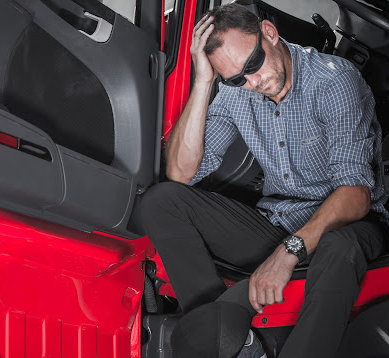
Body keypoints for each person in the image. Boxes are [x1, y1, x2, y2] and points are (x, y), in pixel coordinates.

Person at [141, 3, 389, 357]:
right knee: (162, 201)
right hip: (278, 222)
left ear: (270, 34)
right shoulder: (238, 89)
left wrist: (287, 253)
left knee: (339, 247)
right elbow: (181, 173)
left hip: (348, 225)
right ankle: (235, 343)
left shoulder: (334, 81)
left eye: (253, 65)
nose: (253, 83)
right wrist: (204, 81)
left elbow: (356, 195)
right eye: (238, 77)